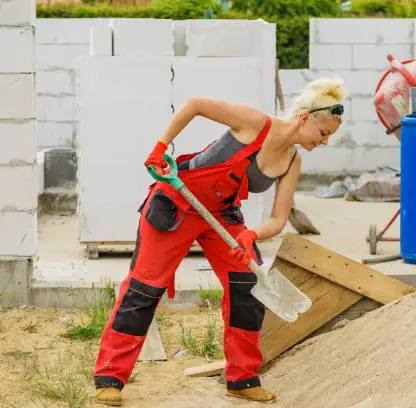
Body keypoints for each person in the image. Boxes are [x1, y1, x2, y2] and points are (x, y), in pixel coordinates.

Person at [93, 78, 346, 406]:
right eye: (324, 133)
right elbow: (195, 103)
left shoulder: (292, 162)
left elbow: (279, 220)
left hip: (222, 215)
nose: (324, 142)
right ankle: (110, 377)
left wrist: (252, 234)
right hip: (176, 202)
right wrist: (161, 146)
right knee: (145, 287)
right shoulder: (255, 123)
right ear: (305, 118)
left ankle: (242, 379)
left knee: (248, 283)